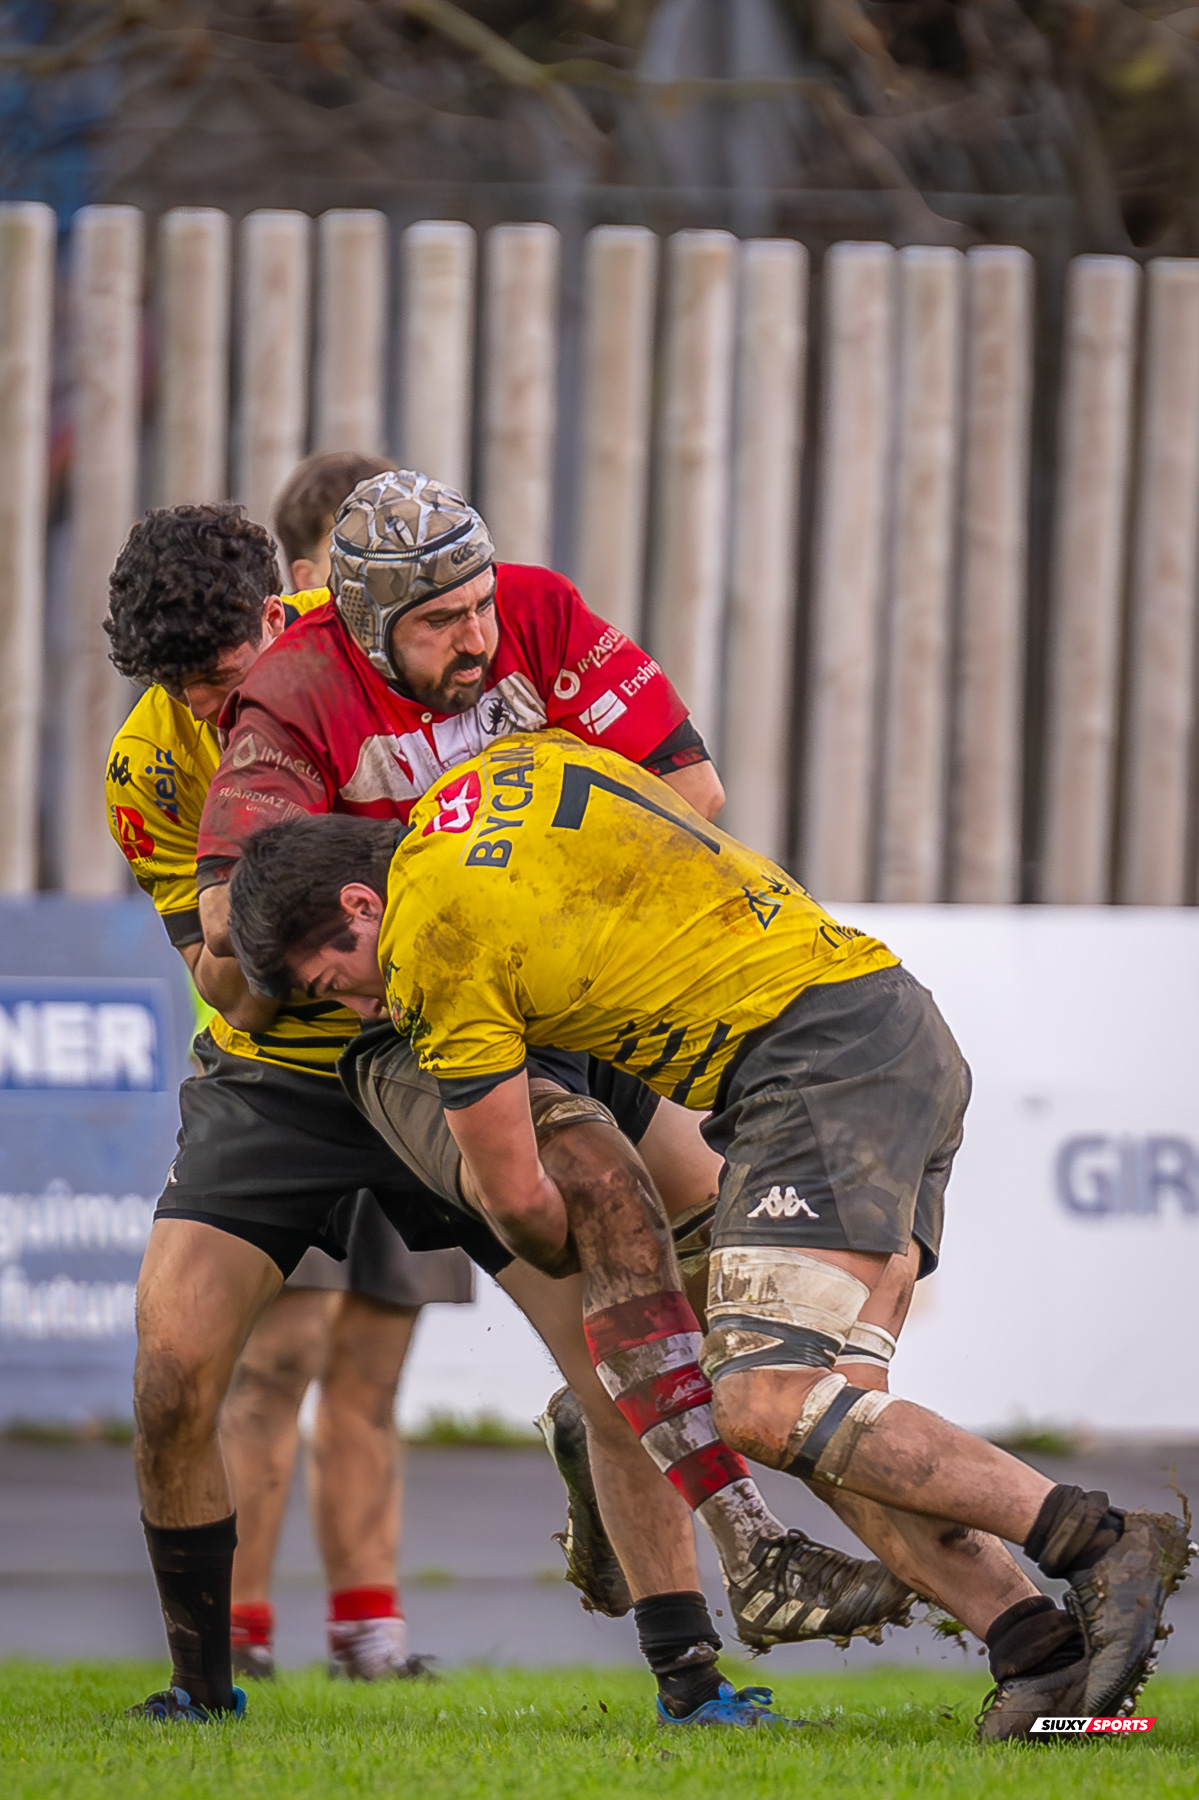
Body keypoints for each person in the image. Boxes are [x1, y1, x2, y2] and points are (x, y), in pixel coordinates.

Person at [107, 487, 909, 1732]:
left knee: (614, 1325)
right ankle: (201, 1691)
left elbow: (620, 804)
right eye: (182, 691)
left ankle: (691, 1679)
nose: (210, 711)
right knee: (170, 1373)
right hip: (280, 1069)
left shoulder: (363, 662)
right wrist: (267, 914)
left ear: (279, 615)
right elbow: (226, 985)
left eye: (221, 679)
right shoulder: (148, 767)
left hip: (448, 1037)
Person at [226, 726, 1194, 1741]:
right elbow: (694, 796)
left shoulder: (432, 950)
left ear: (360, 904)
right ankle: (1038, 1656)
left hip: (808, 1069)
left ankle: (1097, 1540)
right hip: (891, 1022)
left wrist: (609, 1306)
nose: (364, 1004)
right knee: (840, 1430)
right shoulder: (508, 769)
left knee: (759, 1402)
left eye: (337, 982)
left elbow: (521, 1208)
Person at [216, 451, 474, 1683]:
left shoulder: (441, 702)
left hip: (423, 1069)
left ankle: (370, 1634)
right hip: (303, 1083)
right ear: (308, 573)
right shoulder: (273, 708)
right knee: (275, 1361)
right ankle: (235, 1630)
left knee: (372, 1367)